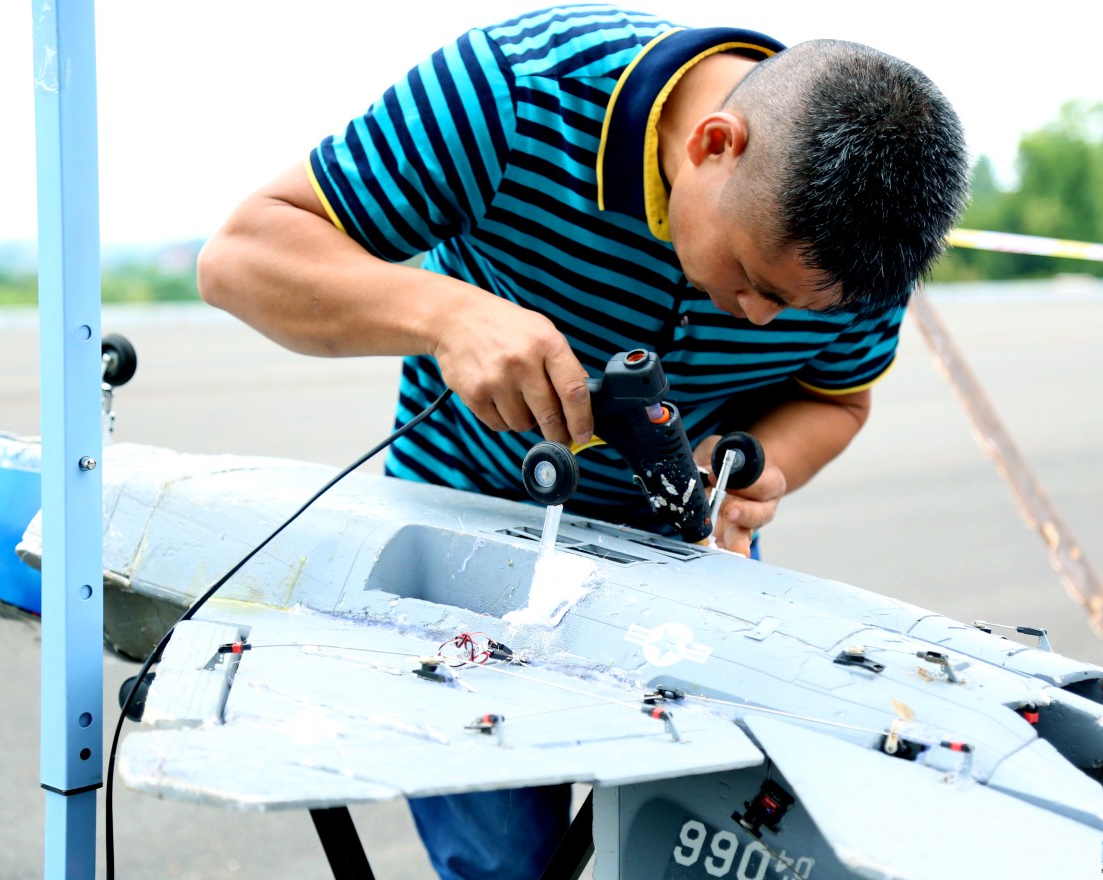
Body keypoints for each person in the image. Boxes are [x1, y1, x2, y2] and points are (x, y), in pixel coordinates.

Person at [198, 5, 968, 879]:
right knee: (507, 863)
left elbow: (836, 401)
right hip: (466, 532)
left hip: (689, 559)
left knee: (700, 844)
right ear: (715, 145)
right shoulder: (513, 94)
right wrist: (449, 314)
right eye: (754, 279)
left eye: (794, 310)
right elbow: (239, 258)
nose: (756, 317)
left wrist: (763, 461)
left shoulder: (863, 254)